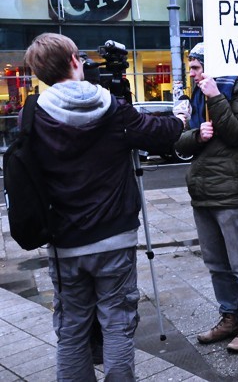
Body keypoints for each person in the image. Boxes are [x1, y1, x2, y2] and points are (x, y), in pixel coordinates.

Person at [22, 33, 184, 380]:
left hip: (65, 242)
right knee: (117, 326)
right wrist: (182, 119)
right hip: (115, 238)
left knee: (72, 329)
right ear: (74, 61)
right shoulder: (111, 107)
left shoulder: (33, 114)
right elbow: (156, 131)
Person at [174, 43, 238, 353]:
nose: (192, 73)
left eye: (197, 67)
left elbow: (237, 132)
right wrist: (194, 132)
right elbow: (183, 143)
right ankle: (230, 317)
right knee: (216, 263)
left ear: (213, 68)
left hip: (231, 193)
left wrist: (216, 96)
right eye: (191, 68)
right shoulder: (198, 98)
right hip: (203, 192)